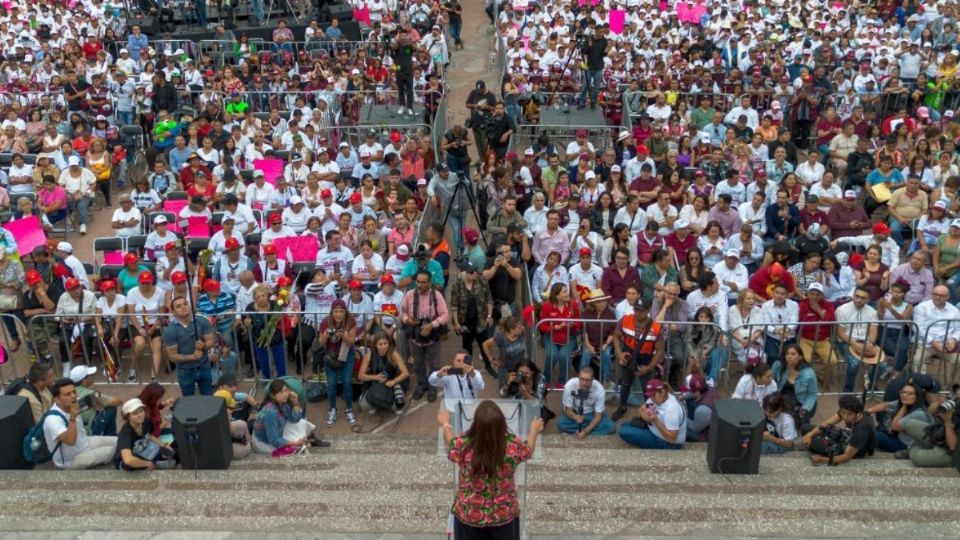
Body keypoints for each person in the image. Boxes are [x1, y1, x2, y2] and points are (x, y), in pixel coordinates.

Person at [440, 400, 542, 540]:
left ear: (476, 424)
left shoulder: (463, 445)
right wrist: (533, 431)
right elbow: (528, 451)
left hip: (469, 514)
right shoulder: (513, 445)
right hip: (504, 514)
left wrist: (445, 424)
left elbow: (451, 442)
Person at [43, 378, 117, 469]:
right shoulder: (53, 420)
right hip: (71, 460)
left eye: (74, 392)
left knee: (119, 441)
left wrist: (97, 404)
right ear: (57, 399)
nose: (73, 396)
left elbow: (94, 398)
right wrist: (72, 418)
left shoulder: (73, 403)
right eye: (68, 394)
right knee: (112, 450)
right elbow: (70, 441)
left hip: (85, 442)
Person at [402, 270, 449, 402]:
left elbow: (445, 315)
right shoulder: (409, 295)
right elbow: (403, 312)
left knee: (434, 364)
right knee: (417, 364)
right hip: (414, 338)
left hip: (433, 338)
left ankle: (433, 386)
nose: (420, 285)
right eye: (418, 282)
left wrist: (431, 325)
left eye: (423, 282)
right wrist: (407, 320)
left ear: (429, 283)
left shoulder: (437, 295)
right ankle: (422, 384)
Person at [317, 298, 360, 428]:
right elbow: (321, 343)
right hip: (331, 356)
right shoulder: (325, 322)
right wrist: (326, 335)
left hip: (347, 354)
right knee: (331, 384)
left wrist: (344, 336)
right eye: (336, 311)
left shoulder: (350, 321)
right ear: (332, 312)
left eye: (341, 311)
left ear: (345, 312)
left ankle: (348, 409)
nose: (338, 314)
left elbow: (352, 341)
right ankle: (332, 409)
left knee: (347, 382)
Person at [162, 295, 216, 397]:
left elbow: (211, 341)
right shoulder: (170, 330)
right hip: (185, 371)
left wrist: (204, 345)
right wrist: (192, 357)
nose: (183, 307)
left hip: (204, 366)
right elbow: (172, 356)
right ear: (173, 312)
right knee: (188, 399)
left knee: (208, 396)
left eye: (185, 304)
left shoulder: (202, 321)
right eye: (178, 306)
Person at [450, 261, 496, 377]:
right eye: (471, 271)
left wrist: (489, 316)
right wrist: (456, 323)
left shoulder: (482, 282)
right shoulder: (457, 286)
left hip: (480, 320)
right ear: (464, 274)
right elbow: (454, 306)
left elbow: (489, 299)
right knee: (467, 347)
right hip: (466, 322)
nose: (475, 273)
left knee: (484, 344)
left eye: (475, 270)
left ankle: (488, 366)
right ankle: (467, 369)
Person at [803, 395, 877, 466]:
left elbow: (846, 457)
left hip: (853, 450)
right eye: (843, 412)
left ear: (857, 414)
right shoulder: (847, 410)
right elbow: (827, 423)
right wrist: (810, 434)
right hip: (845, 436)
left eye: (849, 414)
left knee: (812, 442)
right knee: (805, 428)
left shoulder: (861, 430)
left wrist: (823, 460)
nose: (845, 417)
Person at [252, 379, 322, 454]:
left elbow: (294, 419)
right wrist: (295, 443)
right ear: (273, 395)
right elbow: (273, 439)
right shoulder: (271, 412)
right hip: (264, 442)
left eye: (286, 390)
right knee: (295, 448)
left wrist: (295, 403)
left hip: (278, 431)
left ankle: (307, 439)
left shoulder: (283, 403)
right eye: (281, 392)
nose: (285, 394)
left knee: (302, 422)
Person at [618, 378, 687, 449]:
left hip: (668, 443)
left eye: (653, 395)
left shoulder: (671, 411)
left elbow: (672, 439)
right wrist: (643, 415)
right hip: (653, 428)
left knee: (623, 431)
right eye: (650, 395)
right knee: (625, 424)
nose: (651, 398)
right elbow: (643, 407)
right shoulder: (661, 398)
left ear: (662, 391)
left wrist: (656, 421)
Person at [537, 282, 581, 387]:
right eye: (564, 292)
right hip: (551, 336)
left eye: (567, 291)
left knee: (563, 355)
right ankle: (546, 379)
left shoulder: (573, 305)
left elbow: (579, 322)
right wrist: (554, 327)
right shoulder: (547, 306)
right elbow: (542, 325)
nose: (567, 293)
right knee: (552, 355)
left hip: (569, 337)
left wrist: (572, 325)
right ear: (557, 295)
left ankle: (562, 381)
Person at [114, 398, 176, 470]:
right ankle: (152, 464)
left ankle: (154, 463)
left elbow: (149, 436)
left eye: (141, 411)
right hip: (128, 460)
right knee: (130, 464)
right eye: (135, 413)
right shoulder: (125, 433)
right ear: (128, 417)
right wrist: (148, 464)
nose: (140, 415)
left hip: (145, 450)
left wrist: (164, 445)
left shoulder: (145, 421)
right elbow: (128, 460)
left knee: (172, 454)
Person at [357, 333, 409, 419]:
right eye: (380, 344)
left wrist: (394, 381)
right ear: (375, 345)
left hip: (391, 382)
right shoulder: (369, 355)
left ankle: (390, 399)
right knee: (364, 405)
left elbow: (405, 373)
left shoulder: (393, 354)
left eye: (385, 343)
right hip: (376, 382)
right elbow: (360, 376)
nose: (383, 346)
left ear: (389, 343)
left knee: (397, 405)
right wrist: (375, 377)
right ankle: (374, 404)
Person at [557, 367, 616, 437]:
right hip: (575, 414)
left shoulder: (599, 389)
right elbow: (568, 410)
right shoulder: (570, 385)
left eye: (587, 380)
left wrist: (585, 431)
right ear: (578, 377)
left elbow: (598, 415)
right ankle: (591, 429)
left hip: (592, 414)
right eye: (582, 379)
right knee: (561, 424)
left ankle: (582, 429)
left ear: (593, 379)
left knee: (611, 427)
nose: (584, 383)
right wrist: (576, 418)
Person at [771, 344, 819, 423]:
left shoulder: (809, 373)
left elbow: (812, 394)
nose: (789, 356)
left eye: (793, 354)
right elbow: (772, 384)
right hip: (783, 400)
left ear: (800, 357)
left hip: (801, 401)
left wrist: (805, 408)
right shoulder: (778, 366)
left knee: (802, 424)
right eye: (787, 354)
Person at [70, 365, 121, 437]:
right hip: (86, 431)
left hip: (77, 427)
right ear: (84, 381)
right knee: (111, 408)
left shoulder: (70, 391)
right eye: (89, 376)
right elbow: (117, 401)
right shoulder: (91, 394)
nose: (92, 377)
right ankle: (111, 435)